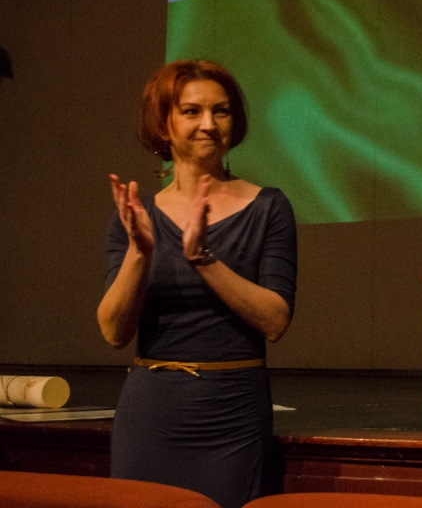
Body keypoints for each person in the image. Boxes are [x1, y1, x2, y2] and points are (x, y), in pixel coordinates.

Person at [98, 60, 297, 508]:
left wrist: (204, 260)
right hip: (150, 411)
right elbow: (113, 331)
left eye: (220, 111)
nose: (209, 124)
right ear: (162, 124)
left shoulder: (268, 207)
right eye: (191, 111)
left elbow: (276, 320)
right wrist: (139, 253)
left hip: (231, 411)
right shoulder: (136, 217)